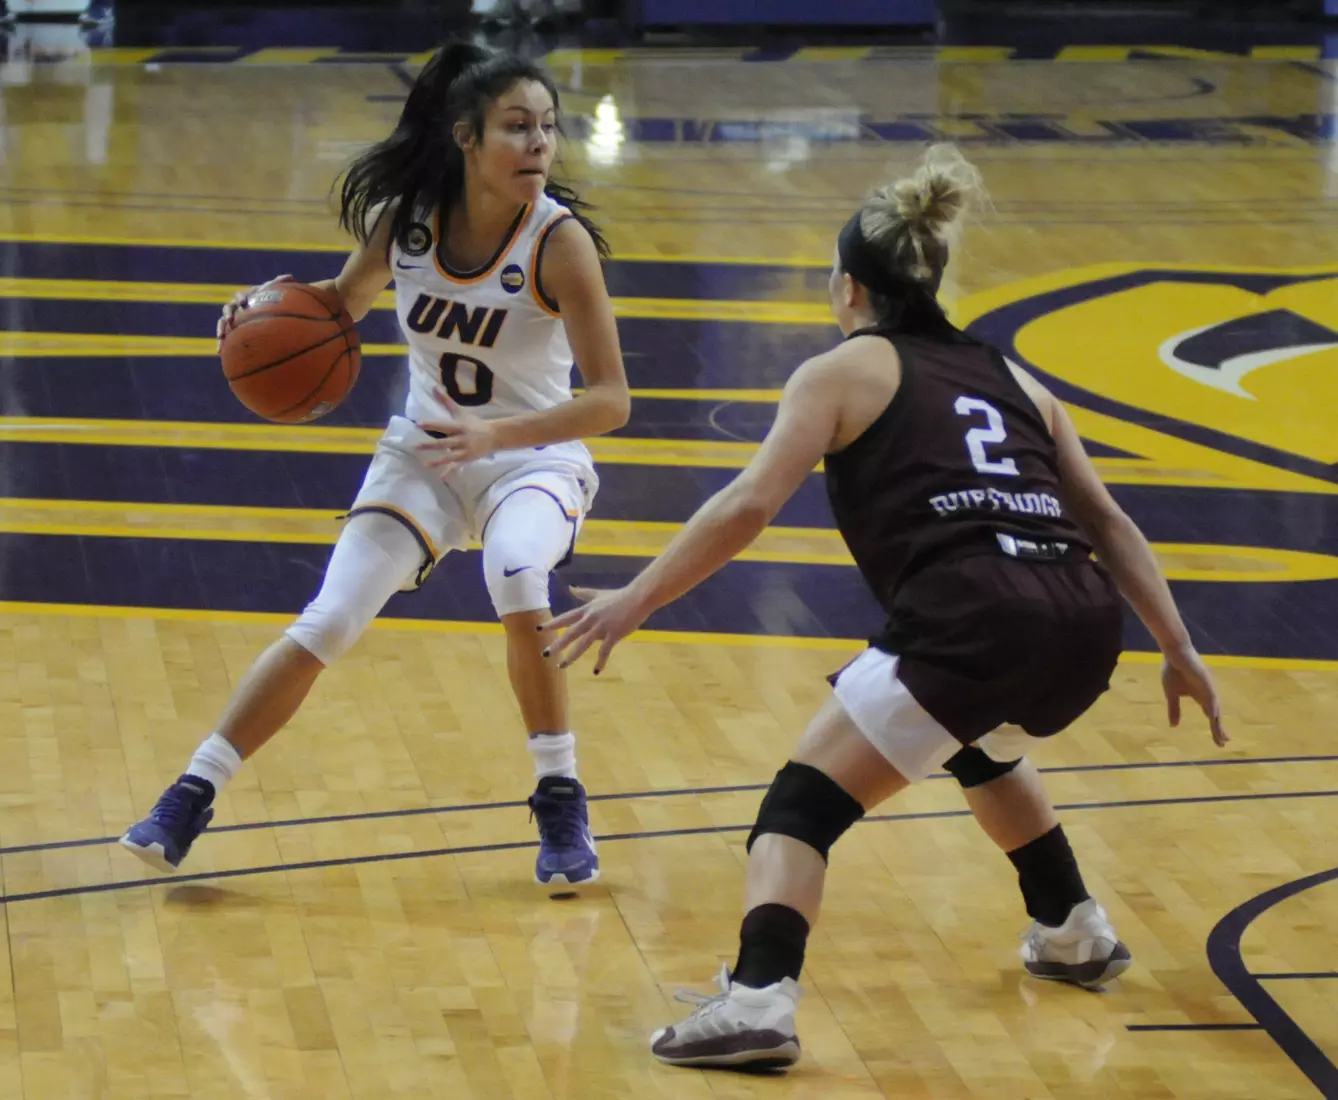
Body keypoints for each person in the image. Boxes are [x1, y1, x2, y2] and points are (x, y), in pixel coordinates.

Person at [541, 143, 1227, 1069]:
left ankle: (758, 1001)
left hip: (976, 613)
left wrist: (635, 598)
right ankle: (1072, 929)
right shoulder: (1022, 382)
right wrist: (1178, 647)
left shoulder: (841, 372)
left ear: (848, 288)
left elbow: (746, 506)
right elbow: (1105, 519)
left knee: (799, 808)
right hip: (1082, 619)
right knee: (975, 741)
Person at [121, 41, 629, 893]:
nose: (539, 143)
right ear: (467, 138)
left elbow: (611, 401)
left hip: (532, 455)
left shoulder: (559, 243)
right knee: (330, 616)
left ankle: (559, 793)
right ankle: (190, 793)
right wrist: (257, 314)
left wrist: (493, 440)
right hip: (425, 454)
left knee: (515, 573)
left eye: (548, 127)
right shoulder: (411, 217)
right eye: (517, 127)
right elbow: (338, 309)